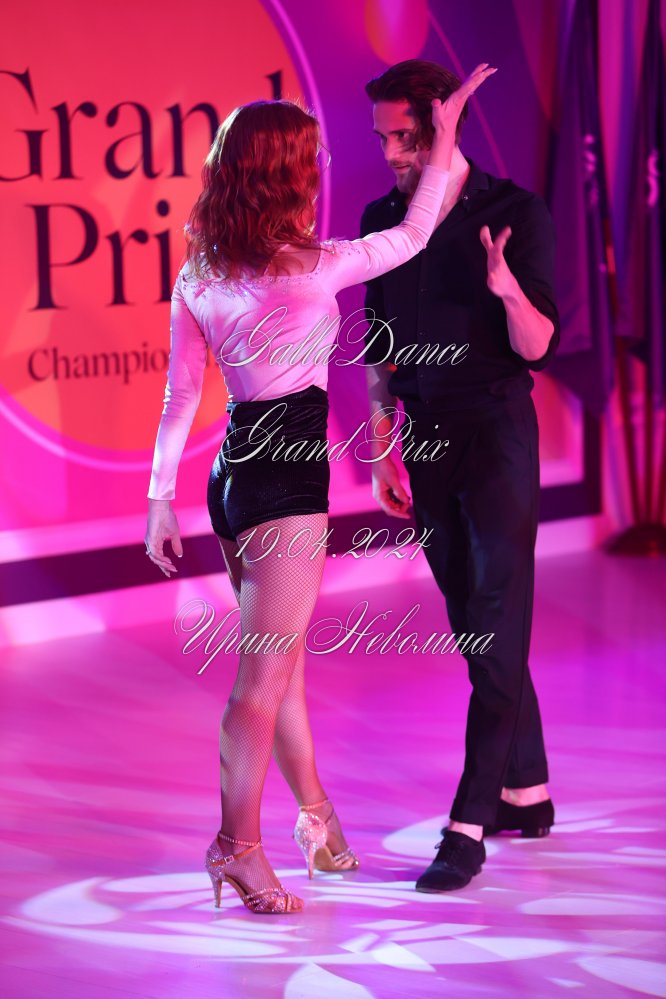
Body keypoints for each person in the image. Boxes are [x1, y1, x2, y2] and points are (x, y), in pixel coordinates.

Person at [144, 65, 495, 915]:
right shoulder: (314, 266)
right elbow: (416, 231)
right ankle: (236, 846)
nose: (321, 165)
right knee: (261, 684)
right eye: (310, 157)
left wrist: (159, 498)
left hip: (234, 474)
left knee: (281, 669)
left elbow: (182, 398)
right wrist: (446, 135)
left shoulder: (199, 273)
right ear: (285, 173)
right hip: (286, 483)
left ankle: (318, 821)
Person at [361, 59, 559, 892]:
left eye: (407, 137)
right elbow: (378, 345)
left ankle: (469, 823)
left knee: (495, 621)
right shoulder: (383, 220)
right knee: (477, 621)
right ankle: (528, 790)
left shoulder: (514, 210)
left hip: (498, 434)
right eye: (384, 139)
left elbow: (537, 346)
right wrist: (383, 441)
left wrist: (508, 291)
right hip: (426, 441)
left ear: (444, 125)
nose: (392, 154)